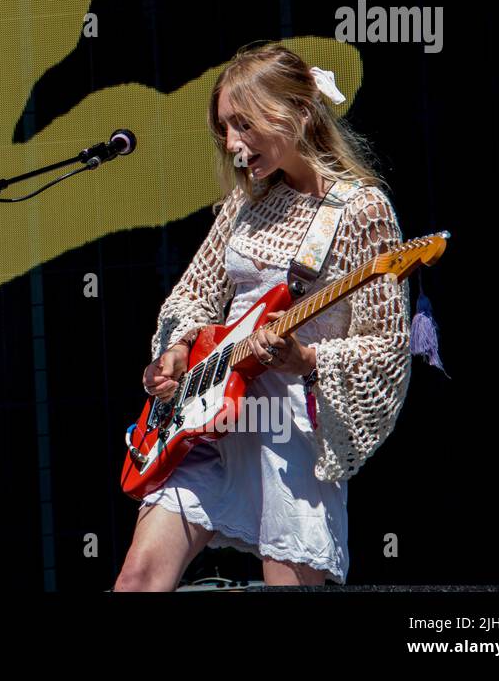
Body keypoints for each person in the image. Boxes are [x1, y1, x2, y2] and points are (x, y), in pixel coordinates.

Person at [113, 43, 412, 590]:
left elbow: (387, 347)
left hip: (288, 430)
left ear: (297, 113)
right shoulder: (245, 204)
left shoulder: (362, 209)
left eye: (244, 125)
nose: (232, 145)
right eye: (226, 129)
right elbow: (192, 296)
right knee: (136, 579)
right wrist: (177, 349)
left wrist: (307, 358)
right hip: (208, 419)